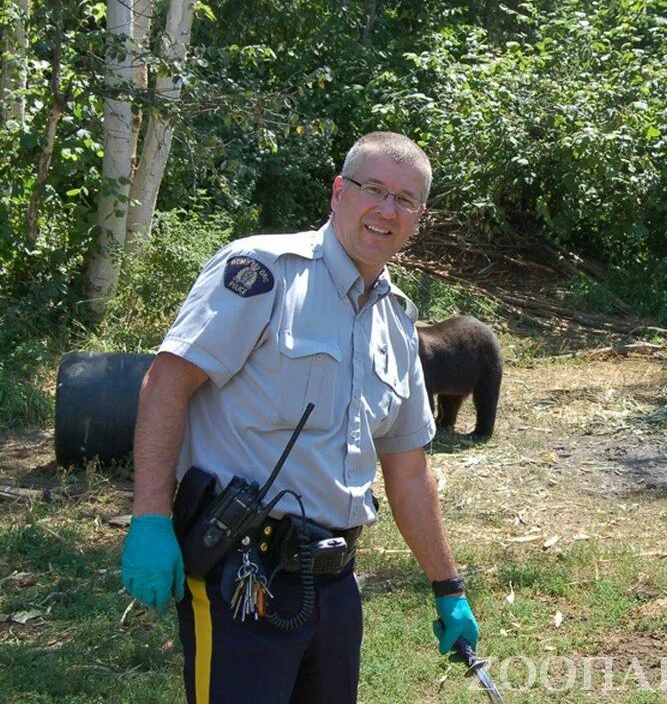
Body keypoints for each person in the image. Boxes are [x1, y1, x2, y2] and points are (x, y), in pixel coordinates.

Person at [118, 132, 480, 703]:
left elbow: (409, 473)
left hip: (334, 589)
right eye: (373, 189)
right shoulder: (265, 273)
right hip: (242, 578)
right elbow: (166, 384)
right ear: (339, 193)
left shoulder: (398, 323)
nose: (386, 210)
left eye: (404, 199)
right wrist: (150, 519)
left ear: (418, 218)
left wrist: (447, 585)